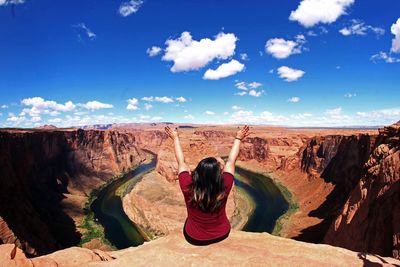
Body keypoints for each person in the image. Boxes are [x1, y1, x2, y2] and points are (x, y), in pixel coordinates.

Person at [164, 125, 250, 245]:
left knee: (187, 221)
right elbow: (231, 161)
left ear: (197, 173)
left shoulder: (187, 186)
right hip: (222, 234)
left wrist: (175, 138)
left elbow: (181, 162)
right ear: (218, 175)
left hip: (194, 238)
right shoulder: (225, 185)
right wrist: (238, 138)